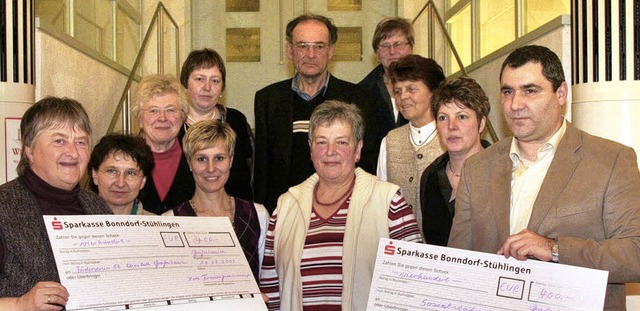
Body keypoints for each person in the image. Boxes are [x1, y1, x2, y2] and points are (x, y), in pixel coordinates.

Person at [448, 45, 640, 310]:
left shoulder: (611, 160)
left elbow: (634, 255)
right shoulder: (477, 168)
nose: (515, 104)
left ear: (561, 94)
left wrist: (555, 249)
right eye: (507, 92)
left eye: (530, 90)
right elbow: (458, 261)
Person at [259, 100, 422, 310]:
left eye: (342, 142)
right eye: (321, 142)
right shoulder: (285, 206)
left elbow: (416, 283)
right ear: (310, 149)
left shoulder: (389, 202)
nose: (330, 151)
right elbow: (271, 290)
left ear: (358, 150)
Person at [254, 13, 378, 213]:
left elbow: (368, 161)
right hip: (286, 210)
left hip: (344, 211)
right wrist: (264, 215)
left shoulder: (359, 99)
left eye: (319, 46)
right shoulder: (268, 99)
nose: (310, 54)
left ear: (331, 51)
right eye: (302, 46)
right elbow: (262, 167)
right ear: (289, 50)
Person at [0, 97, 112, 310]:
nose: (72, 152)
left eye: (80, 142)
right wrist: (20, 304)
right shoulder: (4, 208)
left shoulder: (98, 208)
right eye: (59, 141)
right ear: (29, 150)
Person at [163, 120, 268, 282]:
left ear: (231, 160)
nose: (211, 168)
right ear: (189, 162)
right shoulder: (169, 222)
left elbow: (266, 279)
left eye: (219, 158)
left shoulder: (258, 215)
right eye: (201, 159)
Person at [376, 54, 446, 238]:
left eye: (411, 89)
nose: (403, 97)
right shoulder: (389, 141)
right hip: (400, 249)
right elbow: (382, 201)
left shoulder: (451, 138)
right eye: (397, 91)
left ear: (434, 91)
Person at [419, 77, 491, 246]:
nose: (451, 126)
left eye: (462, 117)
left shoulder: (501, 172)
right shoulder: (430, 176)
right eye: (443, 118)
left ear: (481, 124)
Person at [179, 48, 253, 201]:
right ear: (185, 85)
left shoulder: (236, 121)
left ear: (222, 88)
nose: (207, 87)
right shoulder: (171, 125)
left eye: (215, 80)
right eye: (199, 79)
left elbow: (249, 173)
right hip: (183, 215)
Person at [133, 74, 195, 215]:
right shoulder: (127, 158)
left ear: (183, 116)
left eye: (170, 110)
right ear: (139, 119)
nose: (162, 118)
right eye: (153, 111)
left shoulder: (198, 154)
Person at [358, 17, 413, 138]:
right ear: (377, 54)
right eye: (385, 45)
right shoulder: (362, 92)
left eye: (398, 44)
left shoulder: (431, 86)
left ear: (411, 47)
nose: (392, 51)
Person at [88, 133, 155, 215]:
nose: (120, 184)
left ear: (143, 181)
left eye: (131, 173)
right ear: (95, 175)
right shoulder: (74, 224)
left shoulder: (159, 226)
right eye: (112, 171)